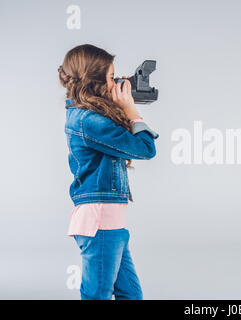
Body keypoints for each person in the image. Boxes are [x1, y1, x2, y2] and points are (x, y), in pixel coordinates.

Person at [58, 44, 159, 300]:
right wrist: (130, 110)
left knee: (130, 295)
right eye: (111, 76)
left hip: (111, 224)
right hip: (100, 223)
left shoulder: (89, 116)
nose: (115, 82)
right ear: (94, 79)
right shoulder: (87, 121)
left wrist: (120, 104)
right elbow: (145, 148)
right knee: (97, 295)